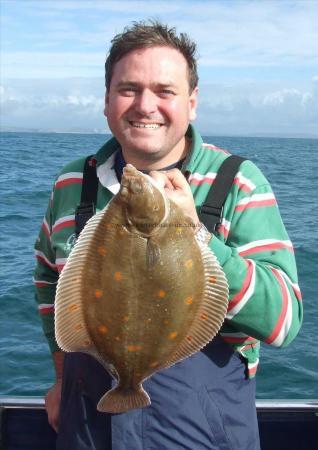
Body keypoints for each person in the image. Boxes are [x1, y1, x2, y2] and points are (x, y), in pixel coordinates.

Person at [34, 20, 303, 450]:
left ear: (191, 103)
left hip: (201, 433)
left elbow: (285, 320)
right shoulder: (72, 183)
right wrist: (62, 379)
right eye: (128, 89)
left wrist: (195, 232)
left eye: (165, 91)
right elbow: (50, 281)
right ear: (106, 101)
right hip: (86, 422)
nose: (145, 105)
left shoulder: (238, 183)